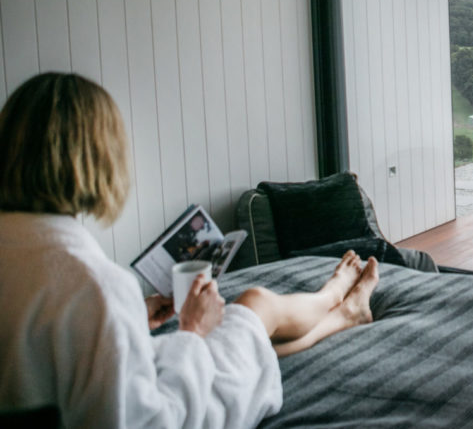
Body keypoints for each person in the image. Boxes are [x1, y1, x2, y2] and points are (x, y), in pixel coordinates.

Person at [0, 72, 379, 427]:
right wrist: (193, 332)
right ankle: (333, 298)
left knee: (246, 342)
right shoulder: (92, 288)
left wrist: (130, 317)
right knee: (254, 305)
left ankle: (342, 315)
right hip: (180, 411)